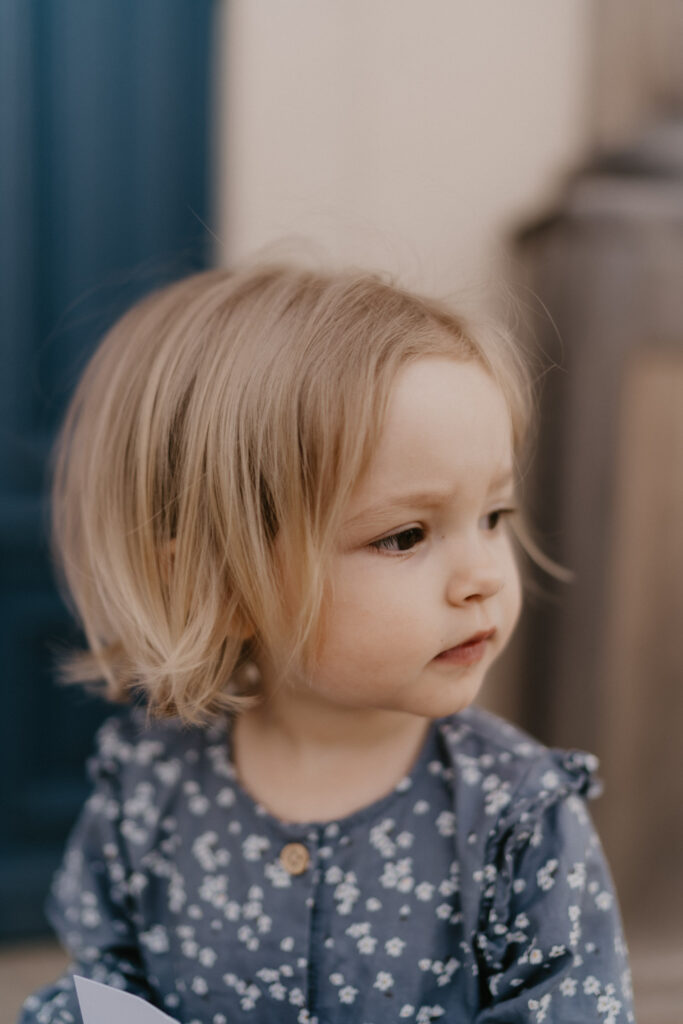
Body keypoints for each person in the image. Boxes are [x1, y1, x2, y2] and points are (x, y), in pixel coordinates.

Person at [19, 265, 635, 1023]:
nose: (481, 576)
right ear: (222, 585)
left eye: (493, 515)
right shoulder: (151, 786)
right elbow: (106, 984)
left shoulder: (516, 817)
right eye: (405, 535)